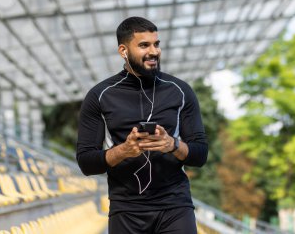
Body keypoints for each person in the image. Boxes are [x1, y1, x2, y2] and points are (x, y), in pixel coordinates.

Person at [76, 16, 208, 234]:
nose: (154, 51)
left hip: (175, 206)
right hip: (126, 210)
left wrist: (172, 145)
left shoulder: (181, 91)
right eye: (144, 45)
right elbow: (86, 163)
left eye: (156, 44)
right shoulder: (100, 96)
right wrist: (124, 151)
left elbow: (200, 154)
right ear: (123, 50)